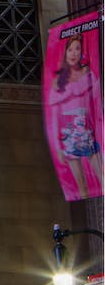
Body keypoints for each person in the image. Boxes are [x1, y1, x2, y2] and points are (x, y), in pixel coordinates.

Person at [49, 32, 100, 197]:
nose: (74, 53)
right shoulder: (58, 81)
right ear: (65, 53)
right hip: (69, 136)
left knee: (103, 178)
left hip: (87, 132)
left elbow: (97, 104)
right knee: (82, 188)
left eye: (77, 49)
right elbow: (54, 117)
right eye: (70, 49)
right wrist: (57, 147)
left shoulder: (89, 75)